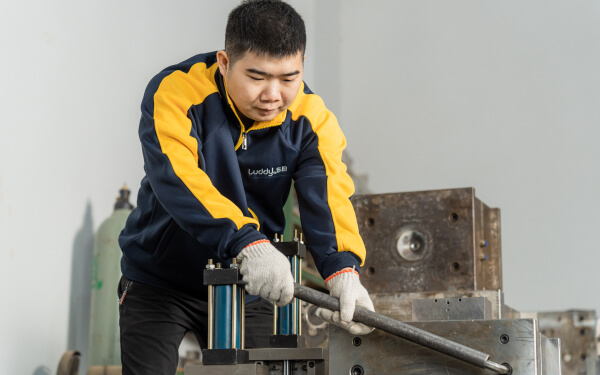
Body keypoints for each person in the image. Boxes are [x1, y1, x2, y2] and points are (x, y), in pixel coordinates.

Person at [117, 0, 374, 373]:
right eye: (257, 77)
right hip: (160, 282)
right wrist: (246, 241)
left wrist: (342, 269)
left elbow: (329, 196)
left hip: (248, 287)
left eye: (289, 78)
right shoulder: (175, 93)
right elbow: (179, 179)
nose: (273, 95)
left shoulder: (310, 120)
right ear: (224, 63)